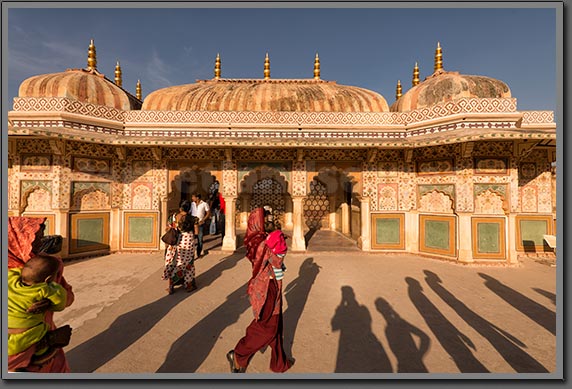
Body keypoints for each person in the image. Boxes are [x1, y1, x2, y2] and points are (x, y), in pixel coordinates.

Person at [226, 208, 294, 374]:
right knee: (266, 326)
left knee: (276, 324)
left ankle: (279, 362)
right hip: (267, 288)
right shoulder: (263, 244)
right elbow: (277, 261)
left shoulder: (255, 241)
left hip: (271, 285)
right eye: (267, 219)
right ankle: (238, 354)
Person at [8, 216, 75, 373]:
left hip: (45, 343)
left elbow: (68, 297)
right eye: (34, 238)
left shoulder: (47, 265)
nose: (40, 242)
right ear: (19, 239)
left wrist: (50, 302)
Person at [8, 254, 72, 361]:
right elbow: (61, 303)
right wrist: (52, 296)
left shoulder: (10, 278)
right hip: (26, 331)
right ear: (49, 279)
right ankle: (42, 348)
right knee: (39, 331)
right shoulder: (45, 289)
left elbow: (13, 272)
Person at [163, 200, 199, 294]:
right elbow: (196, 232)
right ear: (189, 208)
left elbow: (167, 228)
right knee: (188, 264)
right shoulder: (193, 219)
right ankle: (188, 285)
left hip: (175, 242)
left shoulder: (174, 217)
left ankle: (171, 286)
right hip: (188, 242)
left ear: (180, 207)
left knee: (173, 262)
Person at [191, 193, 210, 258]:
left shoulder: (204, 204)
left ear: (197, 198)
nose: (192, 198)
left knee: (200, 238)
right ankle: (191, 253)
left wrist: (203, 220)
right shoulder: (192, 204)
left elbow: (208, 213)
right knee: (192, 238)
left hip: (200, 223)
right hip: (193, 223)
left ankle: (198, 252)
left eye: (193, 197)